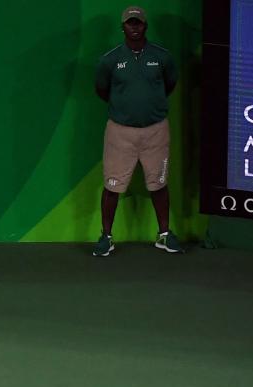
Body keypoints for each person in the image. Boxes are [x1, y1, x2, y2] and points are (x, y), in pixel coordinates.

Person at [92, 6, 181, 257]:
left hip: (156, 130)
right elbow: (102, 89)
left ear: (145, 26)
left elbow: (170, 84)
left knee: (159, 183)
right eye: (130, 23)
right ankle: (106, 237)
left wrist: (150, 105)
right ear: (123, 27)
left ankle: (164, 234)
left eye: (138, 23)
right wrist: (126, 107)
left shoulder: (162, 57)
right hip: (120, 132)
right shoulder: (109, 59)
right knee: (112, 186)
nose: (134, 27)